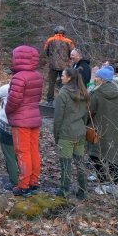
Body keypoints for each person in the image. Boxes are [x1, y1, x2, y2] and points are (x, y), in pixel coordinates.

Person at [5, 45, 44, 197]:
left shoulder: (19, 77)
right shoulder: (38, 75)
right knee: (34, 150)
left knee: (22, 152)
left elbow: (13, 100)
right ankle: (33, 181)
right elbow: (38, 98)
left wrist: (7, 110)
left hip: (21, 120)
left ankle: (23, 185)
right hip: (34, 118)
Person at [88, 65, 118, 195]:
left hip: (100, 129)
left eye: (97, 77)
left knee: (97, 156)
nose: (96, 79)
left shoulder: (96, 93)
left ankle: (103, 184)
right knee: (114, 157)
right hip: (117, 130)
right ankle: (113, 184)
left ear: (103, 79)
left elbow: (89, 111)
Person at [53, 67, 89, 198]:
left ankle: (64, 191)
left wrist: (56, 136)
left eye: (62, 75)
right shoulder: (83, 92)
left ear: (69, 78)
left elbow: (57, 118)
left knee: (66, 164)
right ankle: (82, 191)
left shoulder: (63, 94)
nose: (60, 77)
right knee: (80, 163)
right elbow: (85, 116)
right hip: (80, 132)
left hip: (66, 134)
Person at [0, 71, 19, 189]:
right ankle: (25, 180)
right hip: (21, 126)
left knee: (10, 155)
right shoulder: (25, 88)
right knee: (20, 154)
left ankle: (15, 183)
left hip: (6, 125)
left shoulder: (8, 88)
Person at [43, 26, 75, 105]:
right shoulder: (68, 41)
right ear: (64, 32)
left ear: (55, 32)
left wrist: (51, 57)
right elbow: (73, 52)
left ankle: (49, 100)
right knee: (64, 83)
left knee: (51, 83)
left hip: (53, 65)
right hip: (64, 66)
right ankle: (63, 100)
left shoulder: (50, 40)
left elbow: (45, 51)